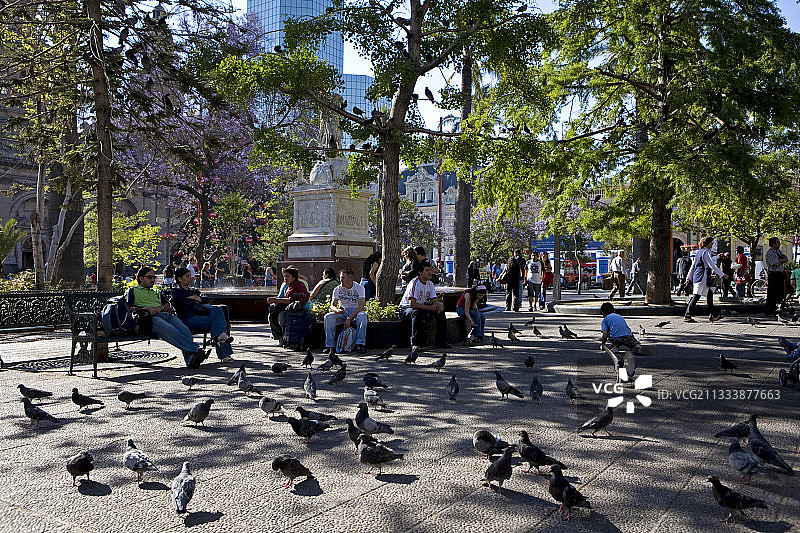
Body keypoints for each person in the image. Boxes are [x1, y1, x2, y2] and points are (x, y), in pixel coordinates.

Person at [126, 266, 209, 368]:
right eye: (150, 277)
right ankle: (196, 350)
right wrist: (146, 309)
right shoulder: (133, 291)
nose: (153, 280)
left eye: (154, 277)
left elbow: (167, 305)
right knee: (170, 329)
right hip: (149, 318)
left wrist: (159, 308)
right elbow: (129, 308)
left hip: (165, 315)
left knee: (185, 331)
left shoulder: (156, 291)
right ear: (141, 278)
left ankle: (191, 360)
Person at [171, 267, 234, 362]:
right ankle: (225, 354)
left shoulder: (193, 290)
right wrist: (197, 299)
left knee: (217, 309)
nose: (189, 278)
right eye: (187, 276)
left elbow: (206, 299)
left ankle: (222, 338)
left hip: (202, 316)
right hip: (188, 320)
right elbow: (185, 302)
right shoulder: (176, 291)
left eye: (190, 276)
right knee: (218, 324)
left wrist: (197, 298)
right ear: (179, 278)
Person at [399, 260, 450, 352]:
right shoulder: (414, 283)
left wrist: (439, 305)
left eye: (430, 270)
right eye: (427, 270)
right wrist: (430, 308)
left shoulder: (430, 284)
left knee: (440, 311)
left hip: (421, 306)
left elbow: (434, 300)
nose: (430, 272)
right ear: (420, 272)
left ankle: (442, 341)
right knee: (417, 313)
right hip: (406, 309)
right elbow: (412, 304)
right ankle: (415, 343)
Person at [684, 236, 729, 322]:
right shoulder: (706, 253)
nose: (712, 244)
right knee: (696, 296)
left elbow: (693, 267)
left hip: (698, 276)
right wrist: (722, 274)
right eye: (711, 242)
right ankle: (687, 315)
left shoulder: (699, 252)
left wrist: (688, 277)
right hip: (703, 276)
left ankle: (714, 314)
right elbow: (712, 265)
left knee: (709, 295)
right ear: (707, 243)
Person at [323, 268, 368, 354]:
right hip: (343, 312)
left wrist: (349, 318)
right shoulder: (337, 289)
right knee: (328, 317)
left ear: (350, 279)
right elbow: (332, 305)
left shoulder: (359, 288)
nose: (340, 280)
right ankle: (330, 345)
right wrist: (337, 310)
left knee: (363, 316)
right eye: (340, 277)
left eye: (343, 278)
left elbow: (361, 306)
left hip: (355, 312)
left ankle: (360, 344)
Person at [267, 266, 310, 341]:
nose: (285, 278)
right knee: (273, 311)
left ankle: (282, 337)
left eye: (288, 276)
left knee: (280, 314)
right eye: (284, 276)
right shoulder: (288, 286)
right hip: (290, 308)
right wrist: (275, 300)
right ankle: (280, 336)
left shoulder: (299, 286)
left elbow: (292, 301)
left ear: (294, 277)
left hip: (300, 310)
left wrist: (276, 300)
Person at [764, 237, 788, 316]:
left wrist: (780, 260)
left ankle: (779, 309)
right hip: (773, 274)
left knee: (780, 293)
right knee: (772, 293)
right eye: (777, 242)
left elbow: (786, 259)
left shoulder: (778, 251)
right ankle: (770, 310)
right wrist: (781, 260)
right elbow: (775, 264)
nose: (779, 244)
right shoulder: (770, 253)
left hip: (780, 274)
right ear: (773, 244)